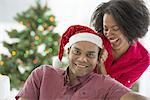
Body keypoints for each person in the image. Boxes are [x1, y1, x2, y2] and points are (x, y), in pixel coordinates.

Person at [15, 25, 150, 100]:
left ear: (98, 58)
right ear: (69, 52)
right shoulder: (43, 74)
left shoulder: (104, 84)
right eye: (77, 52)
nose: (82, 59)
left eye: (90, 54)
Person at [90, 0, 150, 88]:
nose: (109, 35)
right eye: (106, 29)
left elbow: (114, 92)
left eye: (115, 29)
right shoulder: (96, 42)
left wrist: (101, 66)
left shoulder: (143, 59)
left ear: (130, 28)